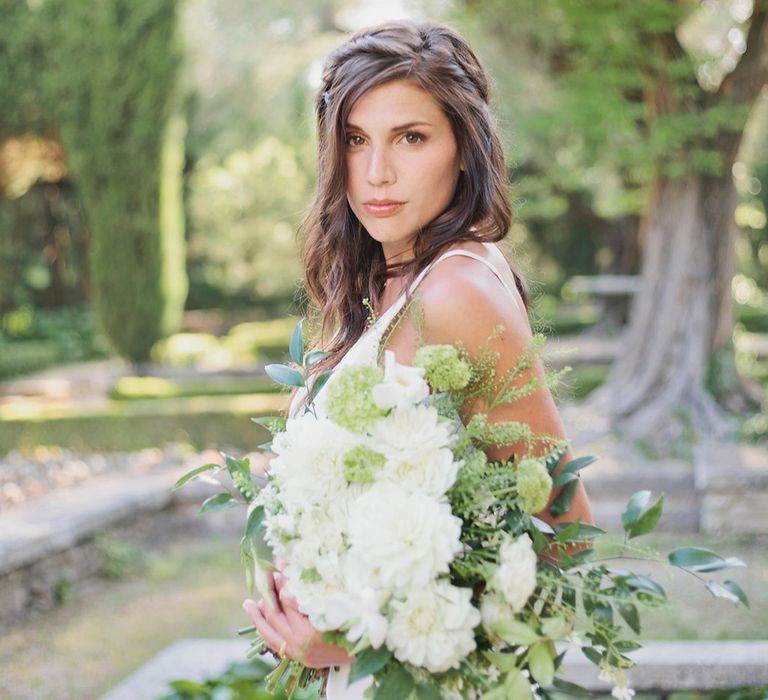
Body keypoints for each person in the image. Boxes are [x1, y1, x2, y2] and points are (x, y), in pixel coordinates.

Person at [242, 18, 593, 699]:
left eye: (411, 138)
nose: (376, 172)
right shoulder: (387, 281)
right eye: (355, 139)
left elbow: (567, 538)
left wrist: (364, 635)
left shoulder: (458, 290)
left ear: (464, 148)